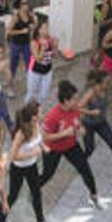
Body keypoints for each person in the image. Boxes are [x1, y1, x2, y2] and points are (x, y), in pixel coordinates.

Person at [39, 81, 102, 209]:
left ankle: (94, 195)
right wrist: (64, 134)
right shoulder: (52, 116)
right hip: (53, 149)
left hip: (71, 146)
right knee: (48, 174)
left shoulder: (75, 109)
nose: (77, 101)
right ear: (65, 101)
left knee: (85, 169)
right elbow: (45, 137)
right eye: (74, 99)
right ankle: (35, 189)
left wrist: (80, 129)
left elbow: (77, 123)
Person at [8, 102, 55, 222]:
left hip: (31, 166)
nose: (43, 114)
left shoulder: (36, 125)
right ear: (34, 117)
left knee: (36, 193)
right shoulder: (21, 133)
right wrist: (32, 153)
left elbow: (38, 140)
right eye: (41, 112)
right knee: (13, 196)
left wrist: (43, 147)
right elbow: (13, 156)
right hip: (18, 169)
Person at [78, 70, 112, 183]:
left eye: (108, 82)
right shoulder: (91, 92)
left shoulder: (106, 89)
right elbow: (78, 107)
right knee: (89, 149)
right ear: (99, 83)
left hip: (102, 123)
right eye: (105, 82)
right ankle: (81, 165)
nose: (107, 84)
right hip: (88, 124)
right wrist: (91, 113)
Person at [26, 20, 59, 106]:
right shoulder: (34, 42)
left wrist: (55, 45)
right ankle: (25, 110)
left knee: (43, 95)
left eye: (47, 28)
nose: (46, 31)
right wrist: (42, 49)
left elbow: (54, 55)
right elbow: (38, 59)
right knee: (31, 94)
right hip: (35, 71)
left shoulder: (49, 40)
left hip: (47, 71)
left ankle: (37, 108)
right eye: (43, 28)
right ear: (38, 30)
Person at [6, 0, 35, 80]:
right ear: (19, 6)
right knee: (13, 64)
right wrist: (21, 31)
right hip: (15, 43)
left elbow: (34, 25)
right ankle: (10, 83)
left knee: (29, 63)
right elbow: (8, 31)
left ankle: (30, 81)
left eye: (27, 2)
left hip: (26, 43)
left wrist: (33, 26)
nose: (27, 5)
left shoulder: (30, 15)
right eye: (24, 3)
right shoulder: (16, 17)